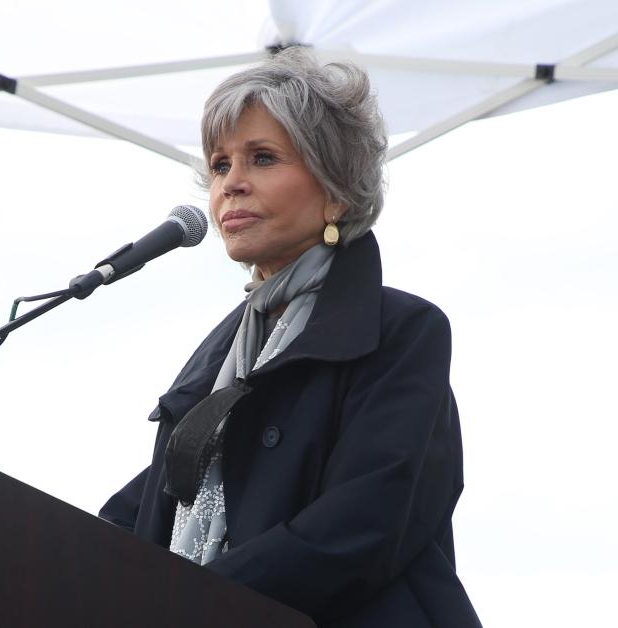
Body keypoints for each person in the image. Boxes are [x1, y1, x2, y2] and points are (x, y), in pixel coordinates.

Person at [99, 47, 481, 627]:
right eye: (221, 165)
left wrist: (187, 599)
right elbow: (139, 514)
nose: (233, 185)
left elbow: (362, 525)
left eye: (263, 158)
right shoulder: (218, 360)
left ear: (336, 190)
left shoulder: (402, 333)